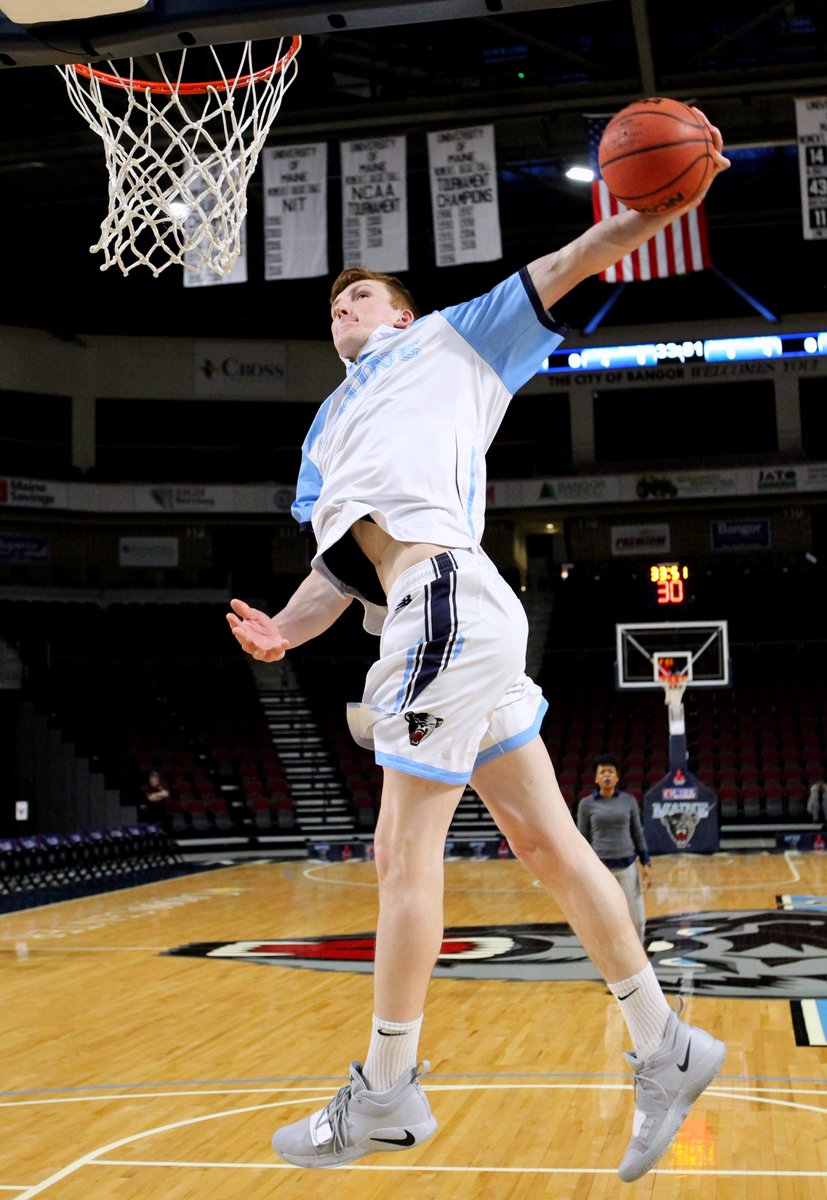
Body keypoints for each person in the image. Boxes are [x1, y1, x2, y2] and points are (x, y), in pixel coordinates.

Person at [227, 108, 730, 1184]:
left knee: (399, 855)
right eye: (332, 303)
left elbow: (563, 262)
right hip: (439, 611)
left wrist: (646, 209)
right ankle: (665, 1043)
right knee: (547, 848)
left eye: (359, 294)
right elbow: (336, 568)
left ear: (400, 311)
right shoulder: (324, 435)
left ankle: (388, 1092)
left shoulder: (447, 341)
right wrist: (283, 629)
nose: (343, 307)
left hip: (446, 601)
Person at [577, 755, 650, 944]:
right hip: (600, 870)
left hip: (627, 867)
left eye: (611, 771)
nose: (607, 775)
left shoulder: (629, 801)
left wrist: (646, 862)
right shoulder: (586, 804)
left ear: (617, 777)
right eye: (602, 772)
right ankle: (610, 961)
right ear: (596, 778)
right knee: (603, 919)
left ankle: (638, 957)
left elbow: (637, 832)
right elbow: (582, 838)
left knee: (637, 919)